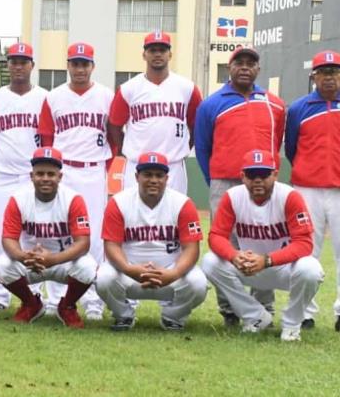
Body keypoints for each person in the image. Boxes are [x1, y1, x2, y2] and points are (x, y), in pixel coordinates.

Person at [194, 46, 286, 325]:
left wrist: (270, 178)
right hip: (225, 180)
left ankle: (264, 307)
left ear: (258, 69)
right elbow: (202, 146)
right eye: (239, 63)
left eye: (251, 63)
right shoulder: (211, 103)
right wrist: (216, 182)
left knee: (264, 240)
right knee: (226, 243)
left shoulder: (275, 104)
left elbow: (278, 141)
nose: (245, 67)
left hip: (264, 182)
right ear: (229, 68)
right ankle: (231, 309)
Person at [202, 150, 324, 342]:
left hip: (284, 267)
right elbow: (216, 236)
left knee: (311, 269)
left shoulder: (290, 196)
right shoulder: (232, 196)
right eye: (251, 174)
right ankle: (256, 317)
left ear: (275, 174)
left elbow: (304, 243)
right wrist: (234, 256)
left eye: (264, 174)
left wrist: (267, 260)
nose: (257, 179)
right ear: (242, 176)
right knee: (210, 262)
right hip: (248, 265)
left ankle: (292, 325)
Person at [38, 41, 111, 319]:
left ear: (92, 66)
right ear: (67, 66)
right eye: (75, 63)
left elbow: (115, 135)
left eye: (84, 63)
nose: (80, 68)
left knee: (92, 237)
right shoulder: (54, 97)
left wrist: (102, 162)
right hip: (63, 171)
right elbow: (47, 137)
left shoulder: (106, 95)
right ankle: (56, 299)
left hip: (93, 170)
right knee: (57, 233)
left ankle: (93, 299)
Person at [97, 152, 208, 332]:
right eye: (147, 174)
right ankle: (123, 315)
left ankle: (173, 316)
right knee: (103, 278)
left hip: (170, 273)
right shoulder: (119, 202)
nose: (153, 180)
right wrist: (128, 269)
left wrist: (173, 273)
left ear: (167, 178)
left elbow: (191, 249)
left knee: (198, 283)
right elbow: (111, 245)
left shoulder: (182, 203)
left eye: (159, 175)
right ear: (136, 177)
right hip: (130, 272)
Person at [0, 42, 48, 310]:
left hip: (34, 179)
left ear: (32, 65)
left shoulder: (45, 98)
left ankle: (35, 292)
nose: (18, 66)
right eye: (13, 61)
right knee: (0, 235)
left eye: (23, 61)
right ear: (8, 65)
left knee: (36, 235)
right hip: (3, 176)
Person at [0, 147, 96, 328]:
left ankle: (67, 306)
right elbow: (8, 239)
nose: (46, 178)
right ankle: (31, 303)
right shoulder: (18, 199)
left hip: (63, 261)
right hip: (30, 260)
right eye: (40, 173)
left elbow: (83, 243)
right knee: (2, 266)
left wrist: (53, 259)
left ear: (60, 177)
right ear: (31, 176)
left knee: (87, 267)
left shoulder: (73, 199)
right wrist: (23, 257)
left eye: (51, 174)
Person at [107, 31, 201, 194]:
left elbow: (197, 126)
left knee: (173, 217)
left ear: (170, 54)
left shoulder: (187, 88)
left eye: (162, 50)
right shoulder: (129, 89)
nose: (157, 54)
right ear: (144, 54)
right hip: (137, 166)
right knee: (133, 217)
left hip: (173, 167)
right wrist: (126, 149)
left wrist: (184, 147)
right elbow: (114, 126)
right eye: (152, 50)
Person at [286, 50, 340, 331]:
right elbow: (291, 149)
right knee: (307, 250)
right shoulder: (299, 108)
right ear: (314, 76)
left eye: (334, 71)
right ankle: (305, 312)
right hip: (308, 188)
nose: (329, 77)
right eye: (324, 72)